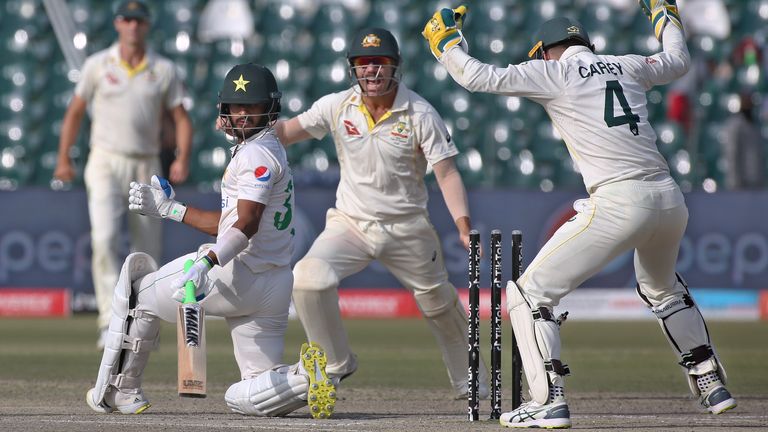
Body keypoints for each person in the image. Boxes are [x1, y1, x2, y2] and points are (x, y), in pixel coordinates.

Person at [423, 1, 737, 428]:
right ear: (586, 43)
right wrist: (664, 15)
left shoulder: (555, 72)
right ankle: (710, 382)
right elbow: (678, 59)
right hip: (669, 199)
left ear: (547, 50)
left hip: (620, 201)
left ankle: (547, 400)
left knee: (529, 293)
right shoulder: (627, 64)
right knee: (662, 289)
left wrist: (445, 42)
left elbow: (478, 76)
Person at [85, 63, 336, 419]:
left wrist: (206, 263)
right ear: (225, 110)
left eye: (251, 106)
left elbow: (245, 225)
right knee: (247, 391)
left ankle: (120, 391)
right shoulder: (271, 147)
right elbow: (230, 222)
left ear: (271, 108)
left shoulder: (254, 155)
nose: (243, 114)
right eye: (236, 107)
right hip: (276, 283)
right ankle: (302, 379)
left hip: (238, 274)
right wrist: (170, 210)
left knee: (139, 291)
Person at [273, 27, 489, 399]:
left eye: (380, 63)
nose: (371, 72)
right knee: (308, 278)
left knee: (439, 303)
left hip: (407, 228)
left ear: (395, 68)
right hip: (350, 225)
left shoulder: (421, 113)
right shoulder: (337, 106)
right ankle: (337, 363)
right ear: (353, 69)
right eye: (363, 64)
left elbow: (448, 172)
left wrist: (463, 226)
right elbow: (287, 132)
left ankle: (474, 382)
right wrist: (245, 127)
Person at [53, 0, 193, 348]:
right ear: (118, 24)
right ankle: (108, 322)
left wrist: (182, 157)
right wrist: (63, 160)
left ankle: (145, 323)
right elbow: (74, 113)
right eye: (127, 20)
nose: (133, 26)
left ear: (147, 26)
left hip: (146, 163)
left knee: (147, 245)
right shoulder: (98, 65)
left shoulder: (163, 69)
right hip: (104, 159)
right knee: (104, 240)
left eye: (139, 21)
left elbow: (181, 118)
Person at [721, 91, 766, 190]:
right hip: (740, 183)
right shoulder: (735, 125)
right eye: (745, 101)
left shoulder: (756, 125)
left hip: (756, 180)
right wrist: (734, 180)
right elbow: (732, 153)